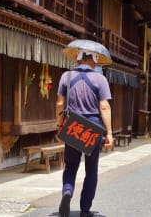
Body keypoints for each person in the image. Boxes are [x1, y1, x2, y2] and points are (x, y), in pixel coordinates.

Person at [56, 50, 114, 217]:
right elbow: (104, 107)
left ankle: (67, 191)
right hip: (93, 128)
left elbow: (60, 103)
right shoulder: (100, 79)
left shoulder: (66, 76)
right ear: (94, 61)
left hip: (73, 125)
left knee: (70, 166)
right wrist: (109, 133)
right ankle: (85, 209)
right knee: (91, 168)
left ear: (78, 58)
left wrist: (60, 126)